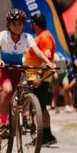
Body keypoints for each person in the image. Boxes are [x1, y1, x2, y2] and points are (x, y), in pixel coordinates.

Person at [0, 9, 56, 138]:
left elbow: (38, 51)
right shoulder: (3, 35)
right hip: (5, 70)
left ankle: (24, 116)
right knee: (8, 91)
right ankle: (3, 123)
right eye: (14, 24)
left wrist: (48, 62)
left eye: (20, 23)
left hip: (18, 70)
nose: (17, 27)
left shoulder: (27, 37)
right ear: (9, 25)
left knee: (24, 92)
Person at [25, 14, 58, 144]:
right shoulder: (40, 36)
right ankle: (46, 136)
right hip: (35, 77)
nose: (30, 26)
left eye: (31, 24)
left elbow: (47, 58)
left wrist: (39, 76)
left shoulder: (45, 37)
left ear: (35, 24)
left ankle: (45, 136)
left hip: (40, 78)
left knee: (40, 107)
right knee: (41, 107)